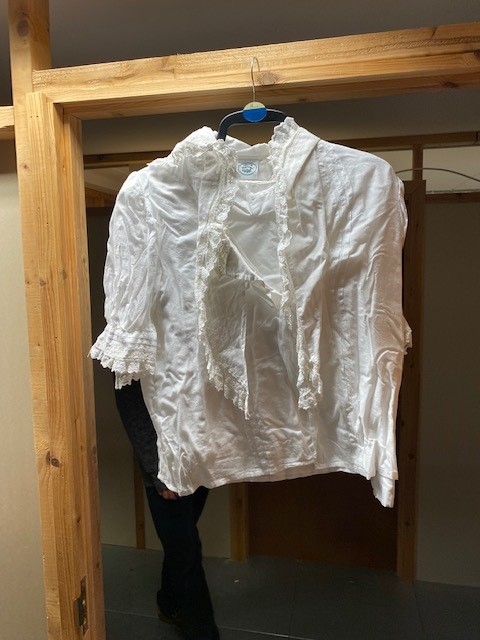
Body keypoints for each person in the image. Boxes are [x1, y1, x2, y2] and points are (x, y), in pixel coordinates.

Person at [113, 379, 220, 640]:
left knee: (182, 544)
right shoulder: (133, 351)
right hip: (165, 466)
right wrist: (158, 472)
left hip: (197, 457)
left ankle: (169, 604)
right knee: (187, 554)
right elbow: (131, 406)